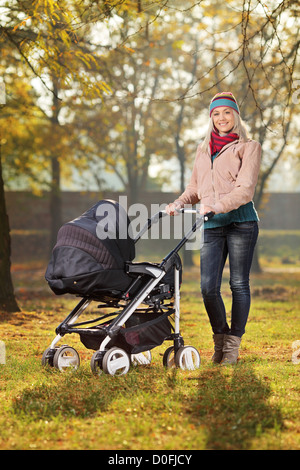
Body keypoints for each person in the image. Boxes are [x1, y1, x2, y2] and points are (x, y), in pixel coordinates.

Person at [166, 92, 261, 365]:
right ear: (211, 118)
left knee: (239, 283)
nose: (222, 118)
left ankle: (232, 347)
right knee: (208, 287)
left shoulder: (249, 146)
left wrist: (216, 206)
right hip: (211, 224)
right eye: (216, 113)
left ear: (236, 115)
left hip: (241, 221)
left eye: (227, 112)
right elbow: (195, 188)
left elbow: (245, 190)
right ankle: (219, 339)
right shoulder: (203, 148)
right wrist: (178, 202)